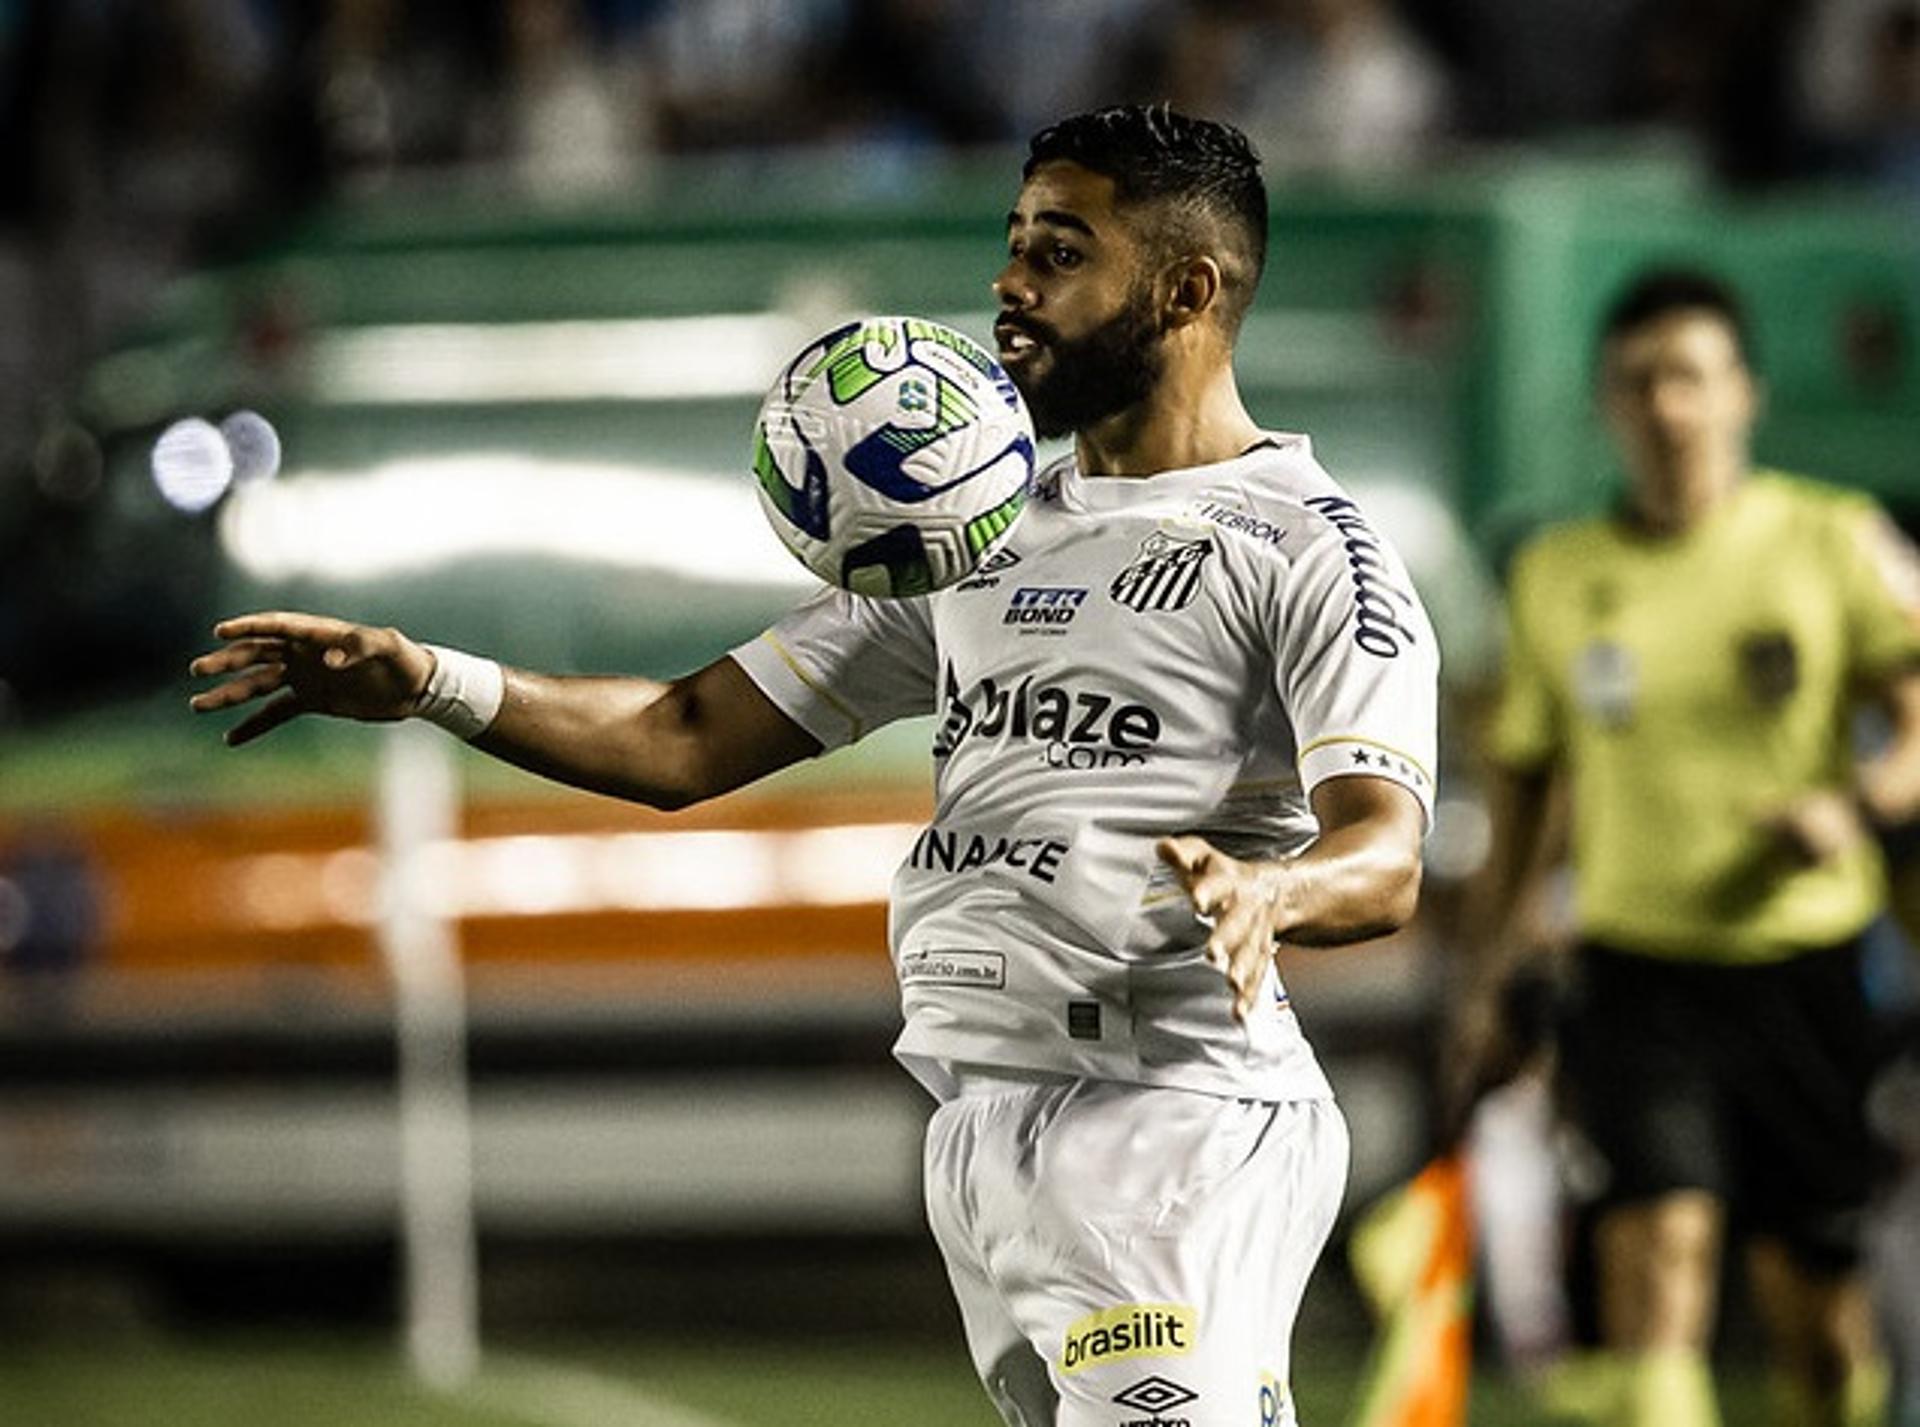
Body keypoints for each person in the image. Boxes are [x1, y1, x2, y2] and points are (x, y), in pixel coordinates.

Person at [191, 105, 1438, 1427]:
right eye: (1014, 244)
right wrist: (433, 682)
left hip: (1175, 1114)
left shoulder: (1305, 544)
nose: (1012, 286)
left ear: (1189, 288)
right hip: (983, 1130)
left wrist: (1271, 893)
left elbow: (1388, 847)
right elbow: (685, 736)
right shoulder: (974, 529)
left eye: (1062, 254)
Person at [1457, 267, 1920, 1427]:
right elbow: (1523, 790)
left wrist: (1856, 806)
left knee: (1815, 1318)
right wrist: (1487, 970)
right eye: (1640, 381)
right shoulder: (1560, 576)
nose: (1667, 405)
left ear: (1743, 394)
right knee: (1656, 1258)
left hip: (1806, 967)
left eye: (1691, 377)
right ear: (1608, 404)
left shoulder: (1833, 539)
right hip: (1634, 969)